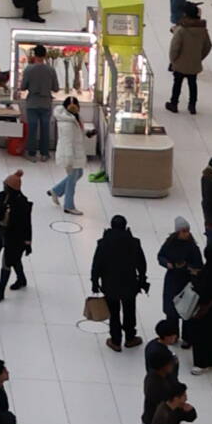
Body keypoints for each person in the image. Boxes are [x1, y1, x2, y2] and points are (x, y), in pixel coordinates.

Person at [92, 214, 149, 350]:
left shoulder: (103, 243)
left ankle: (115, 340)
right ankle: (130, 338)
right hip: (130, 284)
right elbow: (141, 264)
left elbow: (97, 264)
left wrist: (94, 282)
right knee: (129, 311)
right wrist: (142, 279)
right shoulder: (134, 242)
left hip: (110, 284)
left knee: (114, 313)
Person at [0, 169, 34, 301]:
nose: (3, 187)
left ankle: (0, 290)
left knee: (7, 262)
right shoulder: (3, 198)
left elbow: (27, 225)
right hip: (6, 234)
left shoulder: (22, 205)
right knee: (14, 259)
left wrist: (27, 243)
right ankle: (21, 279)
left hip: (16, 239)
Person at [48, 93, 88, 215]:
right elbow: (67, 142)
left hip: (76, 152)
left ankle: (56, 191)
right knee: (72, 180)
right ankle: (69, 206)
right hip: (70, 154)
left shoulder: (74, 117)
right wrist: (69, 160)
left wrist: (88, 133)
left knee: (79, 173)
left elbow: (79, 131)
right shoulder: (67, 123)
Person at [169, 4, 211, 112]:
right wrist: (199, 57)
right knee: (192, 84)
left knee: (177, 83)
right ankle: (192, 106)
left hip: (180, 63)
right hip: (194, 63)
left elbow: (174, 47)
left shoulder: (181, 30)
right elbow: (208, 45)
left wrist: (173, 60)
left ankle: (174, 104)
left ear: (185, 14)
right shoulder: (203, 30)